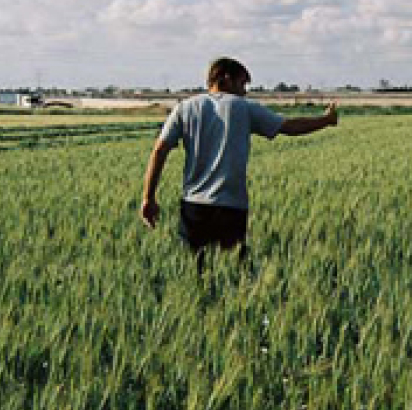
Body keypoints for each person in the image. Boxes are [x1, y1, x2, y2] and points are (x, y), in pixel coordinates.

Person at [140, 57, 337, 273]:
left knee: (194, 272)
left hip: (193, 207)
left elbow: (159, 150)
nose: (244, 92)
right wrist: (325, 120)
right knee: (233, 274)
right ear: (226, 79)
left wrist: (148, 198)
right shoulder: (245, 108)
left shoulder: (185, 108)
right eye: (242, 84)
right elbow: (288, 127)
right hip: (231, 206)